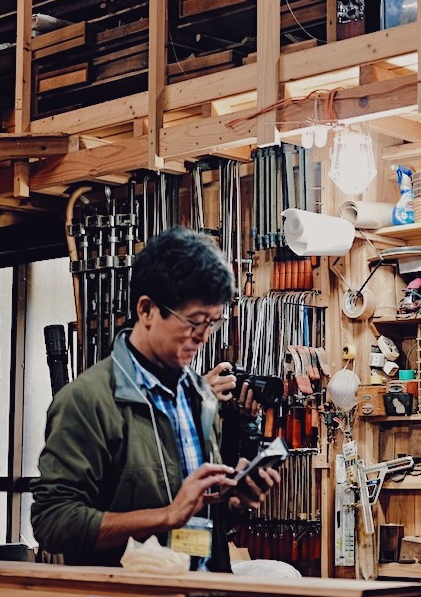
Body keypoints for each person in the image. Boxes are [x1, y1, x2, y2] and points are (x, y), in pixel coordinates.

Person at [32, 227, 279, 569]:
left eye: (213, 323)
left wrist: (231, 501)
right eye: (193, 322)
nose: (204, 337)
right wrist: (167, 516)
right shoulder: (87, 401)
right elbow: (53, 523)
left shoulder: (200, 397)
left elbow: (197, 520)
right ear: (147, 310)